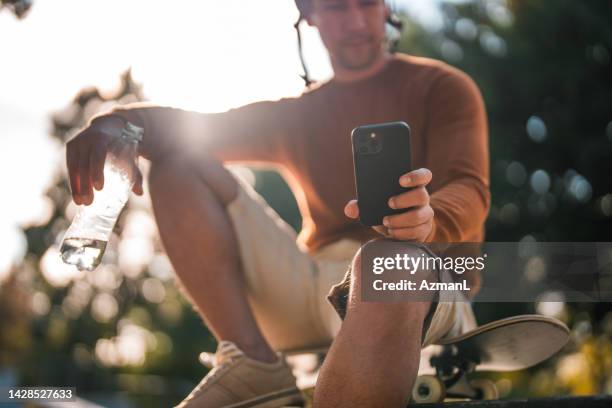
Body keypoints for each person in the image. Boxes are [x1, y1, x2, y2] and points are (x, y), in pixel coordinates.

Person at [66, 0, 489, 406]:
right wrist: (118, 122)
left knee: (388, 265)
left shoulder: (443, 87)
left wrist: (430, 221)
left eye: (367, 3)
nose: (357, 20)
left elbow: (470, 188)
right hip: (313, 289)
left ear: (386, 8)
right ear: (310, 14)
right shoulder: (297, 115)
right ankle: (252, 360)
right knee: (177, 162)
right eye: (338, 5)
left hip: (423, 278)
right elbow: (195, 128)